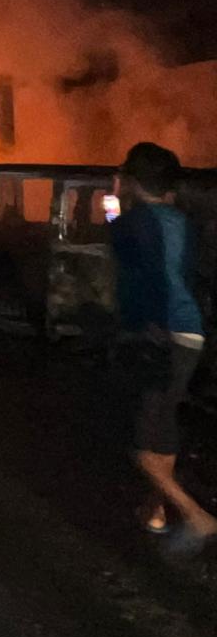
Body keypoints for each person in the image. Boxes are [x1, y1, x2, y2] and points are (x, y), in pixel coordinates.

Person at [111, 141, 215, 552]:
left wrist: (112, 204)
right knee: (164, 425)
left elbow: (125, 254)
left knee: (142, 445)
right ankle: (156, 511)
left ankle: (196, 516)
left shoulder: (134, 221)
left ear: (133, 182)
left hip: (159, 335)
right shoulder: (182, 221)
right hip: (190, 334)